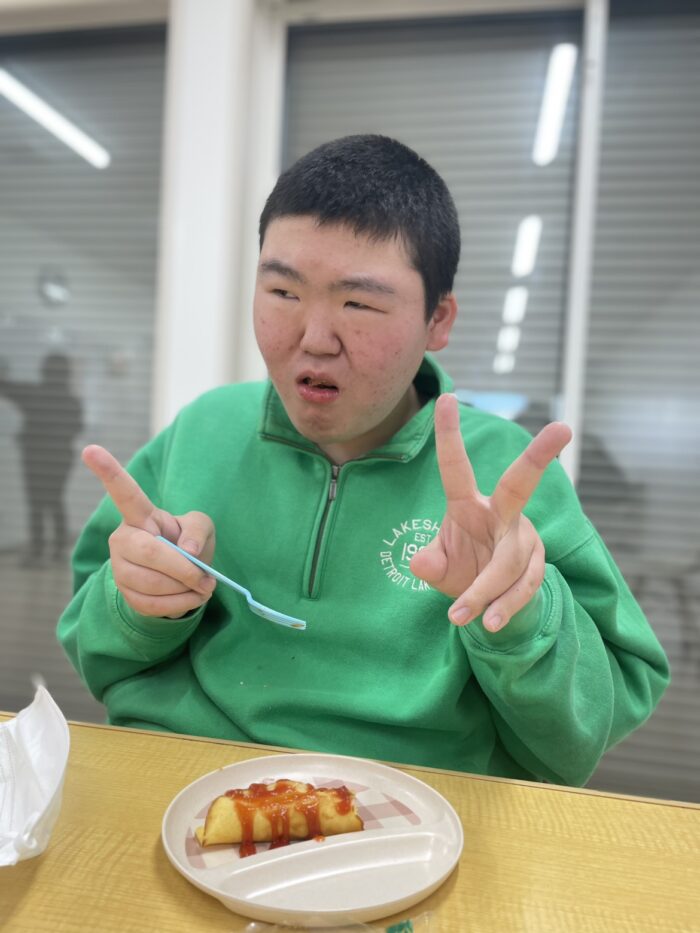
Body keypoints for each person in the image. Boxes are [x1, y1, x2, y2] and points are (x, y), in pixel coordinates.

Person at [57, 135, 669, 786]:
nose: (314, 338)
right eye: (282, 292)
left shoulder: (503, 473)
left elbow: (590, 725)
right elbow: (96, 652)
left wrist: (518, 616)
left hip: (418, 809)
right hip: (189, 786)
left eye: (359, 304)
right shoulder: (205, 429)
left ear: (438, 320)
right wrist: (142, 603)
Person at [0, 352, 83, 563]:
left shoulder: (35, 394)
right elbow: (76, 428)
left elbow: (8, 388)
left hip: (35, 456)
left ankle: (39, 549)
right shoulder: (71, 401)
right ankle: (56, 549)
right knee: (54, 500)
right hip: (60, 457)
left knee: (37, 502)